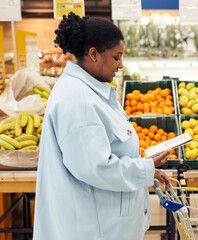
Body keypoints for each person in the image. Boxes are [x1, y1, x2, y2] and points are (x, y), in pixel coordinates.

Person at [33, 12, 171, 240]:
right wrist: (145, 169)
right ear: (94, 54)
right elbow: (95, 167)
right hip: (92, 229)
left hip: (102, 224)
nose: (121, 65)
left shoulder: (89, 90)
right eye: (116, 57)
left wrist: (146, 167)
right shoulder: (77, 99)